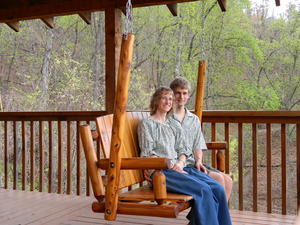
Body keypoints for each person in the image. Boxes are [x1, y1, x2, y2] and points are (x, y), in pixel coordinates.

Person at [138, 86, 232, 225]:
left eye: (170, 99)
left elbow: (184, 148)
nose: (168, 101)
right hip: (161, 172)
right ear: (156, 100)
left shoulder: (172, 123)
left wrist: (180, 163)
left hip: (180, 167)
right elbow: (147, 152)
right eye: (164, 98)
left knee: (217, 188)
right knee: (204, 190)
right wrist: (169, 165)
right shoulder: (147, 124)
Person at [169, 77, 233, 201]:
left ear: (188, 95)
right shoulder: (166, 118)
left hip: (194, 163)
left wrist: (199, 161)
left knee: (228, 180)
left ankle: (218, 217)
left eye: (184, 93)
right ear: (172, 94)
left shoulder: (193, 119)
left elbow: (197, 144)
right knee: (219, 179)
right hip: (179, 166)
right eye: (177, 93)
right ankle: (209, 218)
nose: (181, 97)